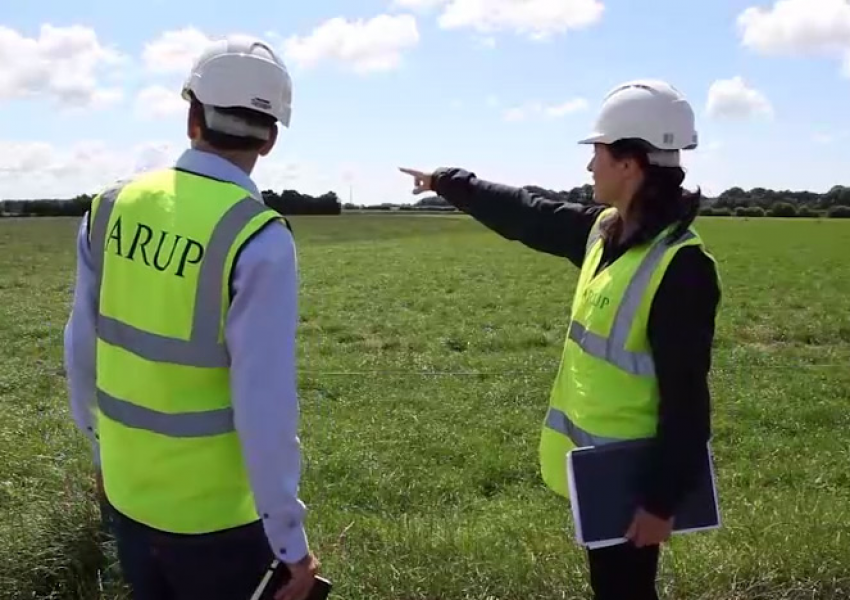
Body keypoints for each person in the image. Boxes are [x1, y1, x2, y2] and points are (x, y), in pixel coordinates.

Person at [400, 79, 721, 600]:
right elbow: (527, 212)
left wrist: (661, 502)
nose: (589, 167)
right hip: (601, 472)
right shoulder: (605, 232)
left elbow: (688, 400)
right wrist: (447, 182)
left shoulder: (681, 268)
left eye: (596, 153)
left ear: (629, 163)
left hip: (636, 478)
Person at [63, 35, 320, 600]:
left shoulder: (110, 205)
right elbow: (265, 406)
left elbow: (81, 347)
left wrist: (102, 451)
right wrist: (290, 545)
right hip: (217, 520)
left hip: (128, 491)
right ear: (271, 138)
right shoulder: (259, 237)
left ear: (192, 118)